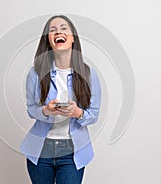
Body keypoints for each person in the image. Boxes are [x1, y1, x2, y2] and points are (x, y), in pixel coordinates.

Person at [20, 15, 101, 184]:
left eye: (64, 28)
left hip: (72, 152)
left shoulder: (88, 74)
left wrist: (77, 112)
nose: (58, 31)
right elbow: (31, 109)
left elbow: (93, 114)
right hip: (41, 151)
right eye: (52, 30)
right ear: (49, 41)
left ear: (72, 39)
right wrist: (45, 111)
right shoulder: (36, 73)